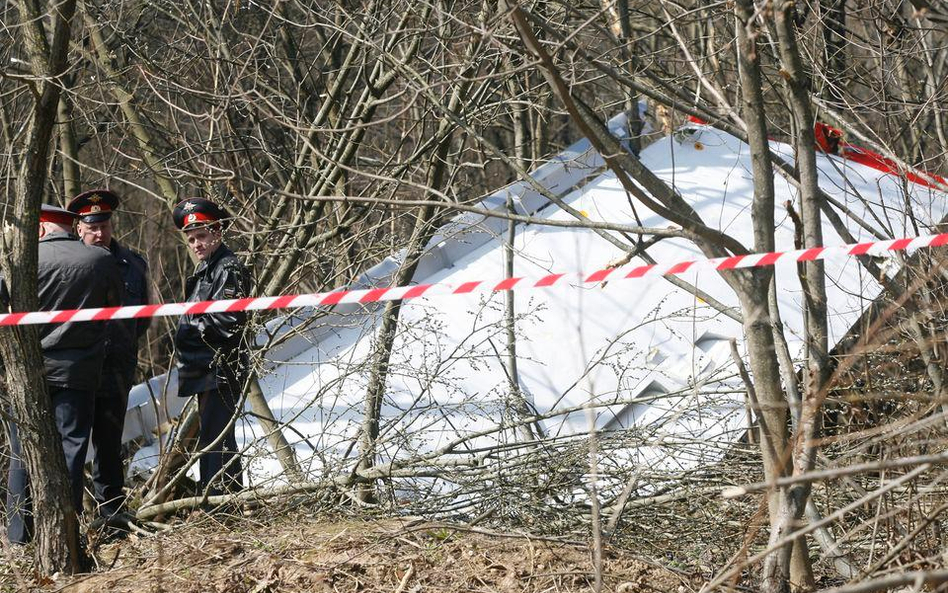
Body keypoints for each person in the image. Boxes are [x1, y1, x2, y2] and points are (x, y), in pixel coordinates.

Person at [3, 204, 122, 544]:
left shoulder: (18, 264)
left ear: (39, 229)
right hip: (78, 371)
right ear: (69, 227)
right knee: (71, 450)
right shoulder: (99, 260)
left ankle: (19, 537)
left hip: (26, 372)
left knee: (22, 451)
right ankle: (62, 534)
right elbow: (118, 310)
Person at [66, 189, 153, 527]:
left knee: (109, 445)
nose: (99, 233)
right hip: (76, 370)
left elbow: (143, 319)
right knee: (71, 446)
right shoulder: (69, 263)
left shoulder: (133, 264)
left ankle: (112, 516)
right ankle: (70, 519)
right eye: (92, 227)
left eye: (104, 225)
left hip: (117, 368)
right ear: (78, 228)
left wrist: (123, 347)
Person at [172, 197, 250, 497]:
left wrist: (192, 329)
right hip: (205, 368)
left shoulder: (227, 268)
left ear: (218, 232)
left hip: (221, 367)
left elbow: (227, 322)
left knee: (218, 440)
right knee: (212, 438)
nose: (196, 244)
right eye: (191, 239)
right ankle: (216, 501)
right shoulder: (207, 269)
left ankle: (220, 505)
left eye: (202, 236)